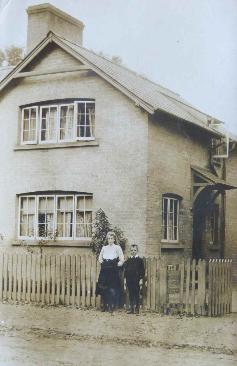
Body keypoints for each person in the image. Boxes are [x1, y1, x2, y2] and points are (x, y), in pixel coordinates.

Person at [96, 231, 124, 313]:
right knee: (104, 288)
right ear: (107, 239)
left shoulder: (117, 247)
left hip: (113, 269)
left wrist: (117, 264)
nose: (110, 240)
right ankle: (104, 305)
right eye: (109, 238)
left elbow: (122, 258)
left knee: (112, 288)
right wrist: (102, 262)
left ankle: (111, 306)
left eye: (112, 238)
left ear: (114, 239)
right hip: (105, 269)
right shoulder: (104, 248)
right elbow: (100, 258)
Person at [124, 244, 145, 314]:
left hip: (137, 280)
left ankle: (137, 309)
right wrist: (125, 279)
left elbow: (142, 271)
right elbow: (126, 270)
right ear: (130, 251)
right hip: (130, 280)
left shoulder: (139, 260)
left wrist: (141, 279)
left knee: (136, 294)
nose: (133, 251)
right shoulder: (128, 260)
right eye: (132, 250)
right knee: (131, 294)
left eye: (135, 250)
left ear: (137, 251)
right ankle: (132, 309)